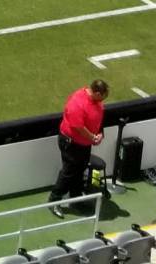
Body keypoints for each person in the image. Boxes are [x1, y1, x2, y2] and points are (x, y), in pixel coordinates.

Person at [52, 79, 108, 212]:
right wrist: (92, 137)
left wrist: (100, 133)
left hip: (83, 143)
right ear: (97, 93)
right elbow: (77, 127)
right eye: (103, 96)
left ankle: (75, 199)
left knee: (79, 170)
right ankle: (54, 200)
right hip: (71, 143)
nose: (103, 100)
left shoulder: (97, 102)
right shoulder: (77, 102)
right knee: (69, 172)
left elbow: (98, 120)